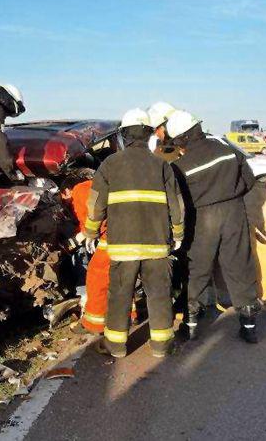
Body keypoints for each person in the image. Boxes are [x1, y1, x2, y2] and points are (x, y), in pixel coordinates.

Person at [84, 108, 185, 358]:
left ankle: (116, 346)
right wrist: (178, 232)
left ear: (125, 135)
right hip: (157, 244)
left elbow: (96, 203)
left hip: (123, 245)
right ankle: (161, 345)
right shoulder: (162, 164)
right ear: (148, 133)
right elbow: (177, 203)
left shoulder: (110, 163)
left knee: (119, 295)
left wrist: (90, 231)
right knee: (159, 294)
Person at [166, 110, 262, 344]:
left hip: (202, 219)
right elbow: (249, 180)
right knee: (239, 265)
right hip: (234, 212)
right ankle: (249, 327)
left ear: (180, 140)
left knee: (197, 269)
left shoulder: (179, 167)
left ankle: (190, 328)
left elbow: (178, 202)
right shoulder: (227, 150)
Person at [58, 169, 113, 335]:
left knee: (96, 275)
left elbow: (93, 217)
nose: (65, 203)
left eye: (62, 197)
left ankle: (93, 325)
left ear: (66, 191)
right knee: (121, 275)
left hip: (113, 234)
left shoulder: (80, 190)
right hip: (121, 229)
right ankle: (131, 315)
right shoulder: (93, 186)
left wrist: (76, 240)